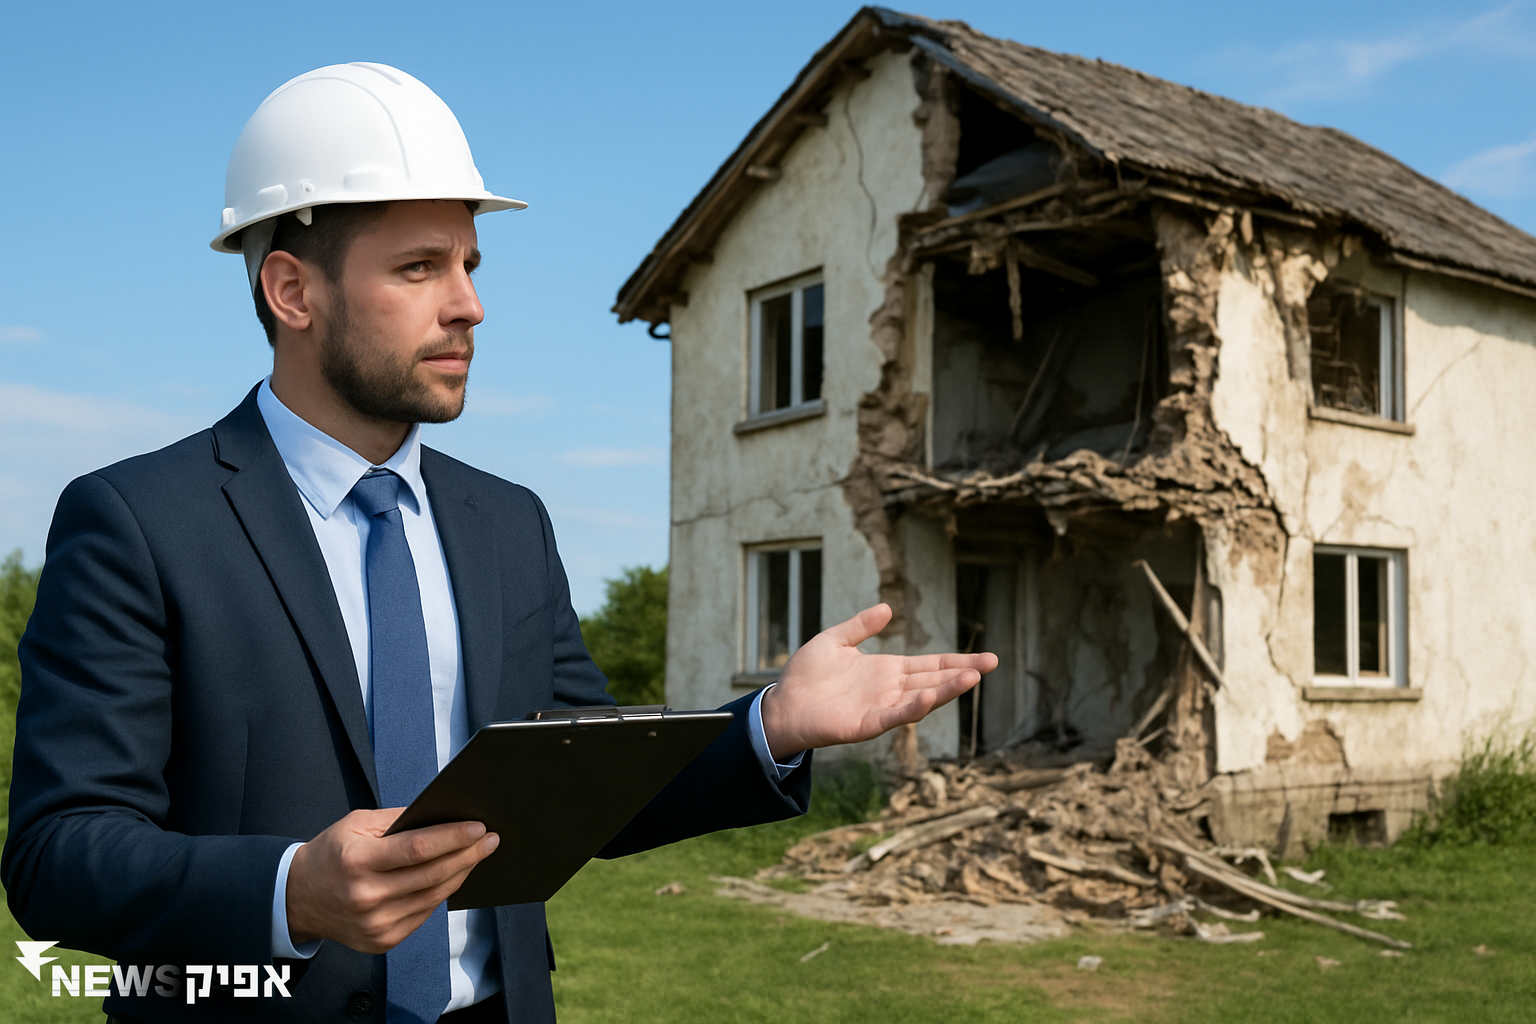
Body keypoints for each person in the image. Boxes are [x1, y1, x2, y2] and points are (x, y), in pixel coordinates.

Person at [2, 64, 996, 1024]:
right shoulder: (137, 521)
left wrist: (771, 722)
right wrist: (289, 887)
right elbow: (58, 853)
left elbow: (585, 784)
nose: (470, 303)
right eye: (419, 267)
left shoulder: (509, 522)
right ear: (292, 292)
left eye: (469, 265)